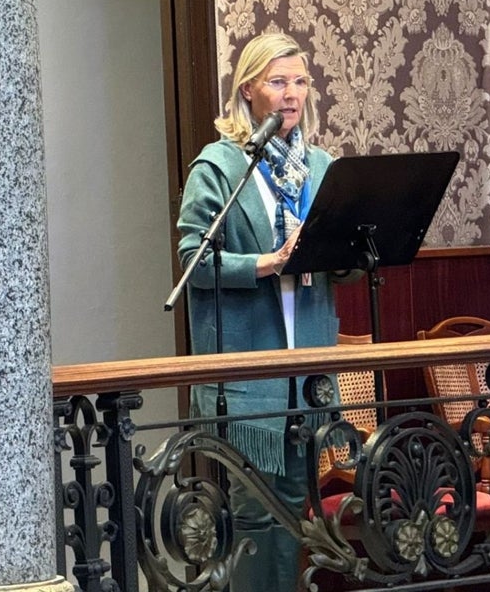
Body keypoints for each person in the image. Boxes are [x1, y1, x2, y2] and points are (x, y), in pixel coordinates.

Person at [176, 32, 340, 592]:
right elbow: (193, 262)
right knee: (256, 513)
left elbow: (340, 257)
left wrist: (344, 246)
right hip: (250, 380)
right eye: (277, 81)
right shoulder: (221, 168)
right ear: (248, 90)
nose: (290, 94)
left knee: (293, 509)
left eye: (299, 81)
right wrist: (268, 263)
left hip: (309, 371)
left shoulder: (318, 167)